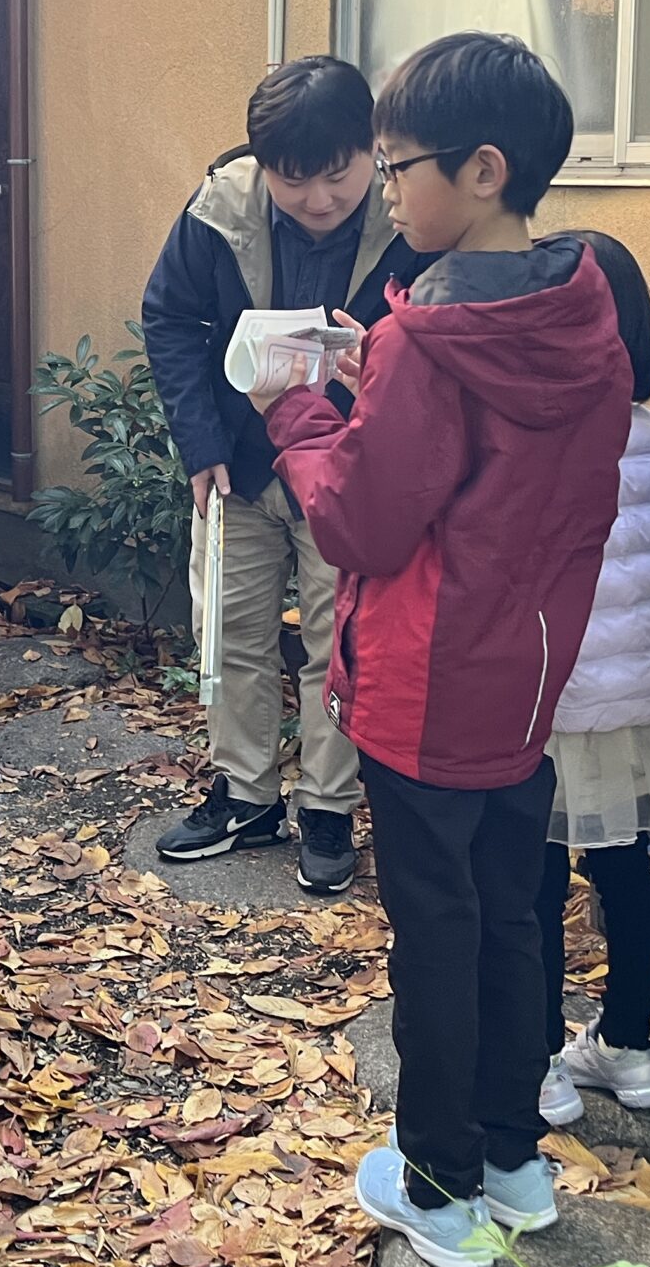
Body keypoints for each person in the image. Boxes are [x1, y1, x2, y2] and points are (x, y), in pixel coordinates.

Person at [255, 32, 631, 1267]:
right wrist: (378, 381)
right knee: (513, 920)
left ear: (481, 170)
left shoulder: (428, 339)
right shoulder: (582, 309)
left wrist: (298, 411)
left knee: (436, 938)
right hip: (525, 677)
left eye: (394, 165)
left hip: (423, 684)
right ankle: (514, 1161)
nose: (384, 189)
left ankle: (439, 1186)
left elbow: (360, 523)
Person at [140, 56, 432, 894]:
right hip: (239, 461)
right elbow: (170, 317)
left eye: (337, 175)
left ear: (370, 152)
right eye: (292, 179)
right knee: (232, 632)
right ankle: (246, 795)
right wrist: (200, 444)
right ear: (261, 164)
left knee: (339, 643)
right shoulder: (220, 207)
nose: (318, 199)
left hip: (352, 468)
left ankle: (329, 806)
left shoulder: (410, 215)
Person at [530, 232, 650, 1129]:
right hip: (640, 707)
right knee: (627, 873)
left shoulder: (541, 442)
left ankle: (538, 1062)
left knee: (531, 884)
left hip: (554, 705)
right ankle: (631, 1046)